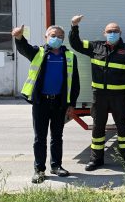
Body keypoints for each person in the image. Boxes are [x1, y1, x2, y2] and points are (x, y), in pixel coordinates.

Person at [69, 15, 125, 171]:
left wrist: (119, 79)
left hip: (119, 96)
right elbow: (77, 44)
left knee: (123, 128)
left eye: (115, 31)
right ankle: (96, 159)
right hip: (99, 96)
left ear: (120, 33)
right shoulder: (95, 46)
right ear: (104, 33)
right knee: (98, 128)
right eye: (109, 31)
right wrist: (74, 26)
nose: (112, 33)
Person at [12, 25, 80, 184]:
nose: (56, 38)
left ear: (63, 38)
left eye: (60, 35)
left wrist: (71, 104)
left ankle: (56, 166)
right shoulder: (38, 52)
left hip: (59, 102)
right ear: (46, 36)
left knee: (57, 137)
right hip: (41, 101)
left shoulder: (69, 56)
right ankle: (39, 170)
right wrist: (19, 38)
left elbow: (74, 82)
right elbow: (24, 48)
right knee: (40, 137)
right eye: (53, 35)